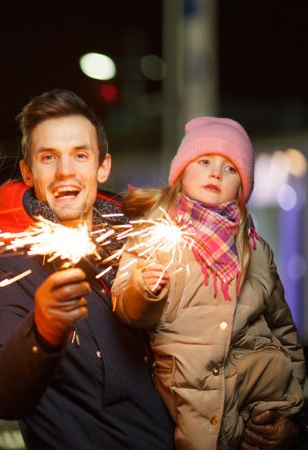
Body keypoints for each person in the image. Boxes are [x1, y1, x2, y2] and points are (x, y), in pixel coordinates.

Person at [0, 89, 176, 449]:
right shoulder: (9, 266)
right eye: (48, 157)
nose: (65, 171)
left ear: (103, 166)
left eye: (79, 155)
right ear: (28, 172)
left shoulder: (145, 244)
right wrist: (42, 331)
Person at [112, 117, 306, 449]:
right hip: (196, 400)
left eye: (230, 168)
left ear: (242, 187)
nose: (216, 173)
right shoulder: (155, 235)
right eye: (204, 162)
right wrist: (145, 290)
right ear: (182, 172)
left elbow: (282, 326)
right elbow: (128, 310)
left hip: (263, 397)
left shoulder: (255, 249)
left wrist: (296, 406)